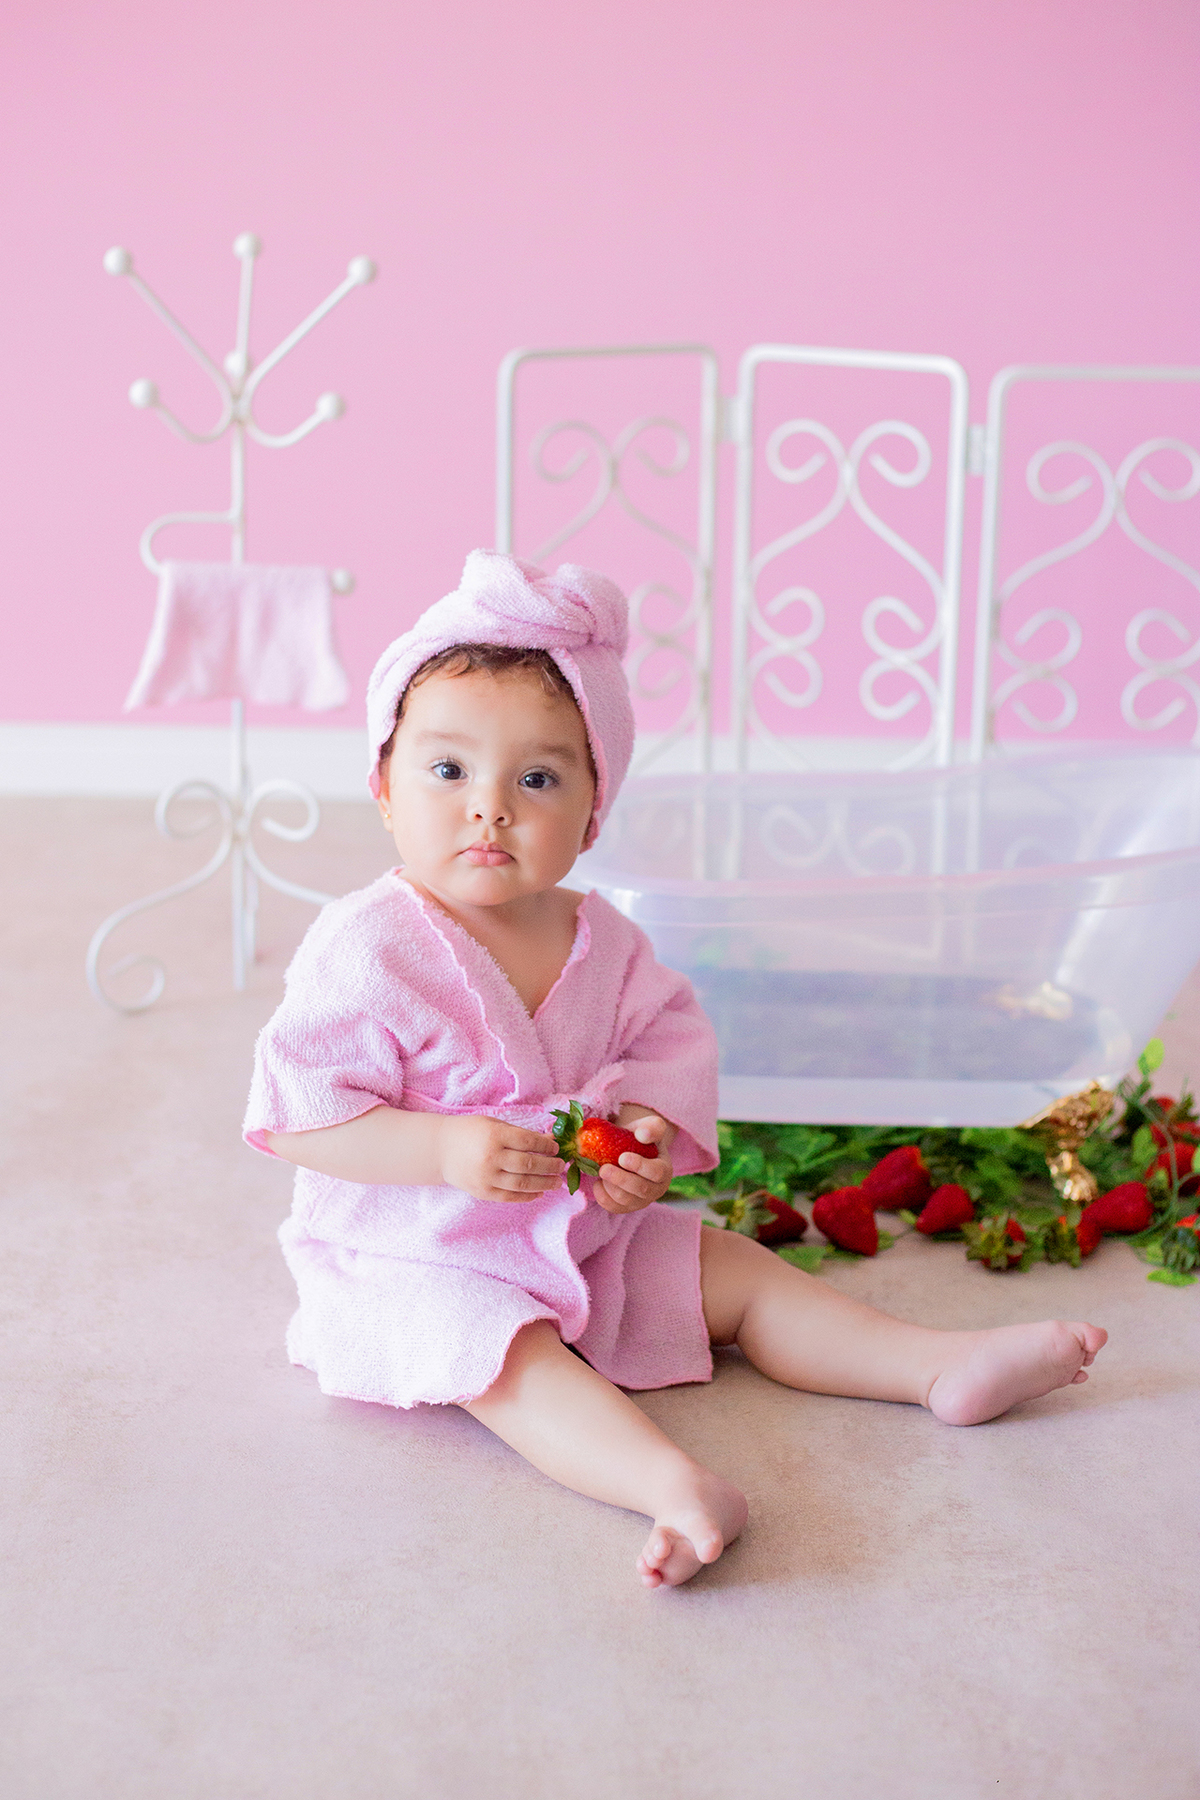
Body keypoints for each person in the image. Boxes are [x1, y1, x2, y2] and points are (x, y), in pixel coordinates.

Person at [244, 550, 1107, 1589]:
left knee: (738, 1275)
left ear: (594, 811)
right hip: (418, 1250)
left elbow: (665, 1047)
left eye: (538, 778)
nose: (490, 807)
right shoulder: (369, 947)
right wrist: (440, 1144)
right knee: (504, 1360)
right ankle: (671, 1486)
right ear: (384, 788)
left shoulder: (602, 939)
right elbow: (300, 1115)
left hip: (576, 1229)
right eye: (447, 769)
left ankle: (933, 1364)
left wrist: (645, 1139)